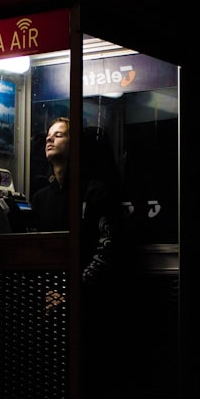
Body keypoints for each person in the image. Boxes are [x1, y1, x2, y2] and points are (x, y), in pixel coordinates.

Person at [30, 116, 123, 288]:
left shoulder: (95, 192)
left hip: (88, 294)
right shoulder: (40, 199)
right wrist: (47, 289)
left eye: (58, 135)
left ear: (75, 144)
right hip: (49, 293)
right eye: (48, 136)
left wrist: (72, 289)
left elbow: (108, 248)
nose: (49, 139)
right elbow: (37, 252)